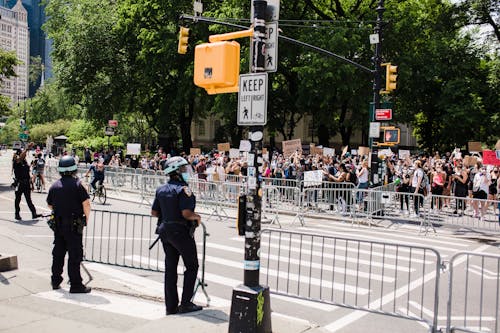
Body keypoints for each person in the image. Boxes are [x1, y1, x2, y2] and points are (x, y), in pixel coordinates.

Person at [151, 156, 202, 315]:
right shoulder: (183, 189)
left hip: (165, 231)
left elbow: (154, 212)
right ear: (177, 171)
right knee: (192, 266)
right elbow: (186, 213)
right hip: (180, 232)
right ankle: (186, 303)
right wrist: (197, 217)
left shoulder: (161, 189)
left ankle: (171, 306)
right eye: (183, 169)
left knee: (170, 269)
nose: (186, 172)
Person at [46, 156, 91, 293]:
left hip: (59, 225)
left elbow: (49, 204)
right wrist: (86, 220)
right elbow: (86, 204)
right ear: (74, 169)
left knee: (58, 254)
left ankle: (55, 281)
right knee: (74, 255)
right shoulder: (78, 185)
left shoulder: (55, 185)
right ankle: (76, 284)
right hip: (74, 226)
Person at [12, 142, 41, 220]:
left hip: (26, 183)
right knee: (18, 199)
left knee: (29, 199)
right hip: (19, 183)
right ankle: (17, 214)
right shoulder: (16, 162)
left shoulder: (25, 162)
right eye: (21, 153)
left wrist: (31, 184)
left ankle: (34, 213)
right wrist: (27, 149)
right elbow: (19, 158)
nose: (23, 155)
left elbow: (28, 174)